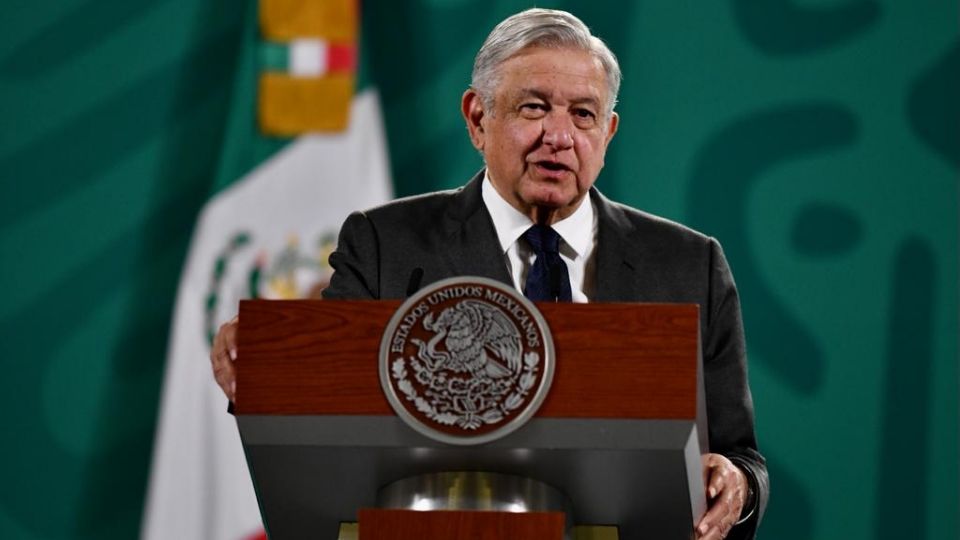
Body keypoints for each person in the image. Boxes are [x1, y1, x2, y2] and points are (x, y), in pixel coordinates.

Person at [211, 8, 768, 540]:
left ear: (608, 132)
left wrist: (736, 484)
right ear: (478, 119)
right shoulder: (385, 244)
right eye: (533, 108)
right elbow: (323, 404)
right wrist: (264, 361)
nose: (560, 135)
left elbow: (742, 458)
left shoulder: (689, 265)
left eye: (583, 113)